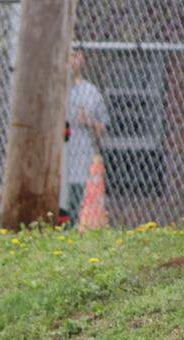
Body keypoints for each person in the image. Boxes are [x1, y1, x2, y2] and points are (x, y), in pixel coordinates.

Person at [60, 49, 109, 228]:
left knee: (72, 209)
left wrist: (89, 121)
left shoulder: (91, 92)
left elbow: (102, 129)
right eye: (67, 56)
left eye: (74, 55)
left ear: (81, 59)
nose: (71, 61)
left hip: (79, 163)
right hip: (55, 162)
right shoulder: (53, 89)